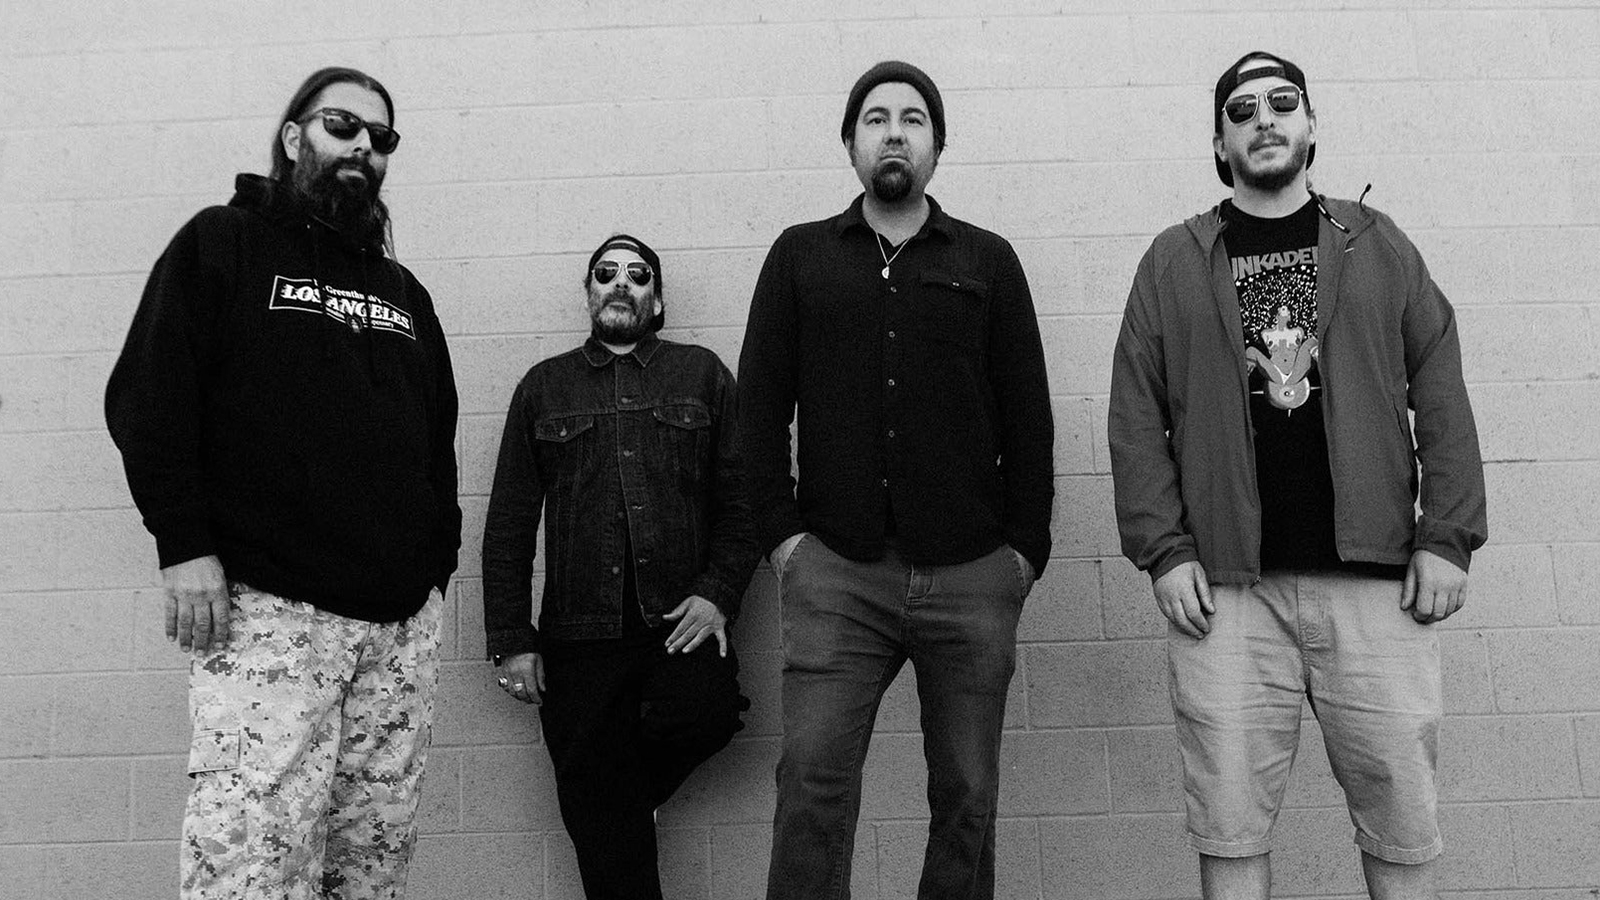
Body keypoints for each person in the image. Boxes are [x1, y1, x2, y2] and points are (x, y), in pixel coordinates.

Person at [1108, 51, 1488, 900]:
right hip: (1227, 597)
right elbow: (1134, 414)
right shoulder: (1173, 260)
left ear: (1312, 124)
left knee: (1403, 828)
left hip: (1378, 589)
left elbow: (1440, 385)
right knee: (1230, 828)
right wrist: (1164, 551)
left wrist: (1448, 536)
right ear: (1219, 143)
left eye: (1283, 102)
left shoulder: (1376, 243)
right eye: (1241, 111)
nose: (1265, 119)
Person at [105, 66, 460, 898]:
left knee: (370, 871)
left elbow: (435, 437)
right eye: (343, 126)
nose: (363, 146)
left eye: (381, 137)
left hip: (397, 634)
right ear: (295, 136)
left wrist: (433, 574)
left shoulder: (404, 292)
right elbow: (150, 395)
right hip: (273, 616)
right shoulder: (223, 242)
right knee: (252, 869)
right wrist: (184, 544)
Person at [738, 60, 1055, 900]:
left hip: (972, 573)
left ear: (937, 146)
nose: (894, 133)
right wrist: (784, 542)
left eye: (913, 119)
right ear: (850, 143)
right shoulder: (800, 256)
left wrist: (1022, 554)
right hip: (836, 573)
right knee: (811, 785)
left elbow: (1028, 417)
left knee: (967, 796)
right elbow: (758, 412)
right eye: (876, 118)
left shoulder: (988, 260)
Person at [481, 234, 758, 900]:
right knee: (612, 861)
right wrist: (511, 638)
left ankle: (615, 801)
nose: (621, 283)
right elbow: (510, 521)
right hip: (579, 635)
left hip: (678, 624)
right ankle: (615, 809)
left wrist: (719, 593)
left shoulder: (702, 374)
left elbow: (745, 500)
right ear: (589, 293)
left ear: (656, 300)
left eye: (638, 275)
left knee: (704, 719)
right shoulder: (544, 386)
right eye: (606, 273)